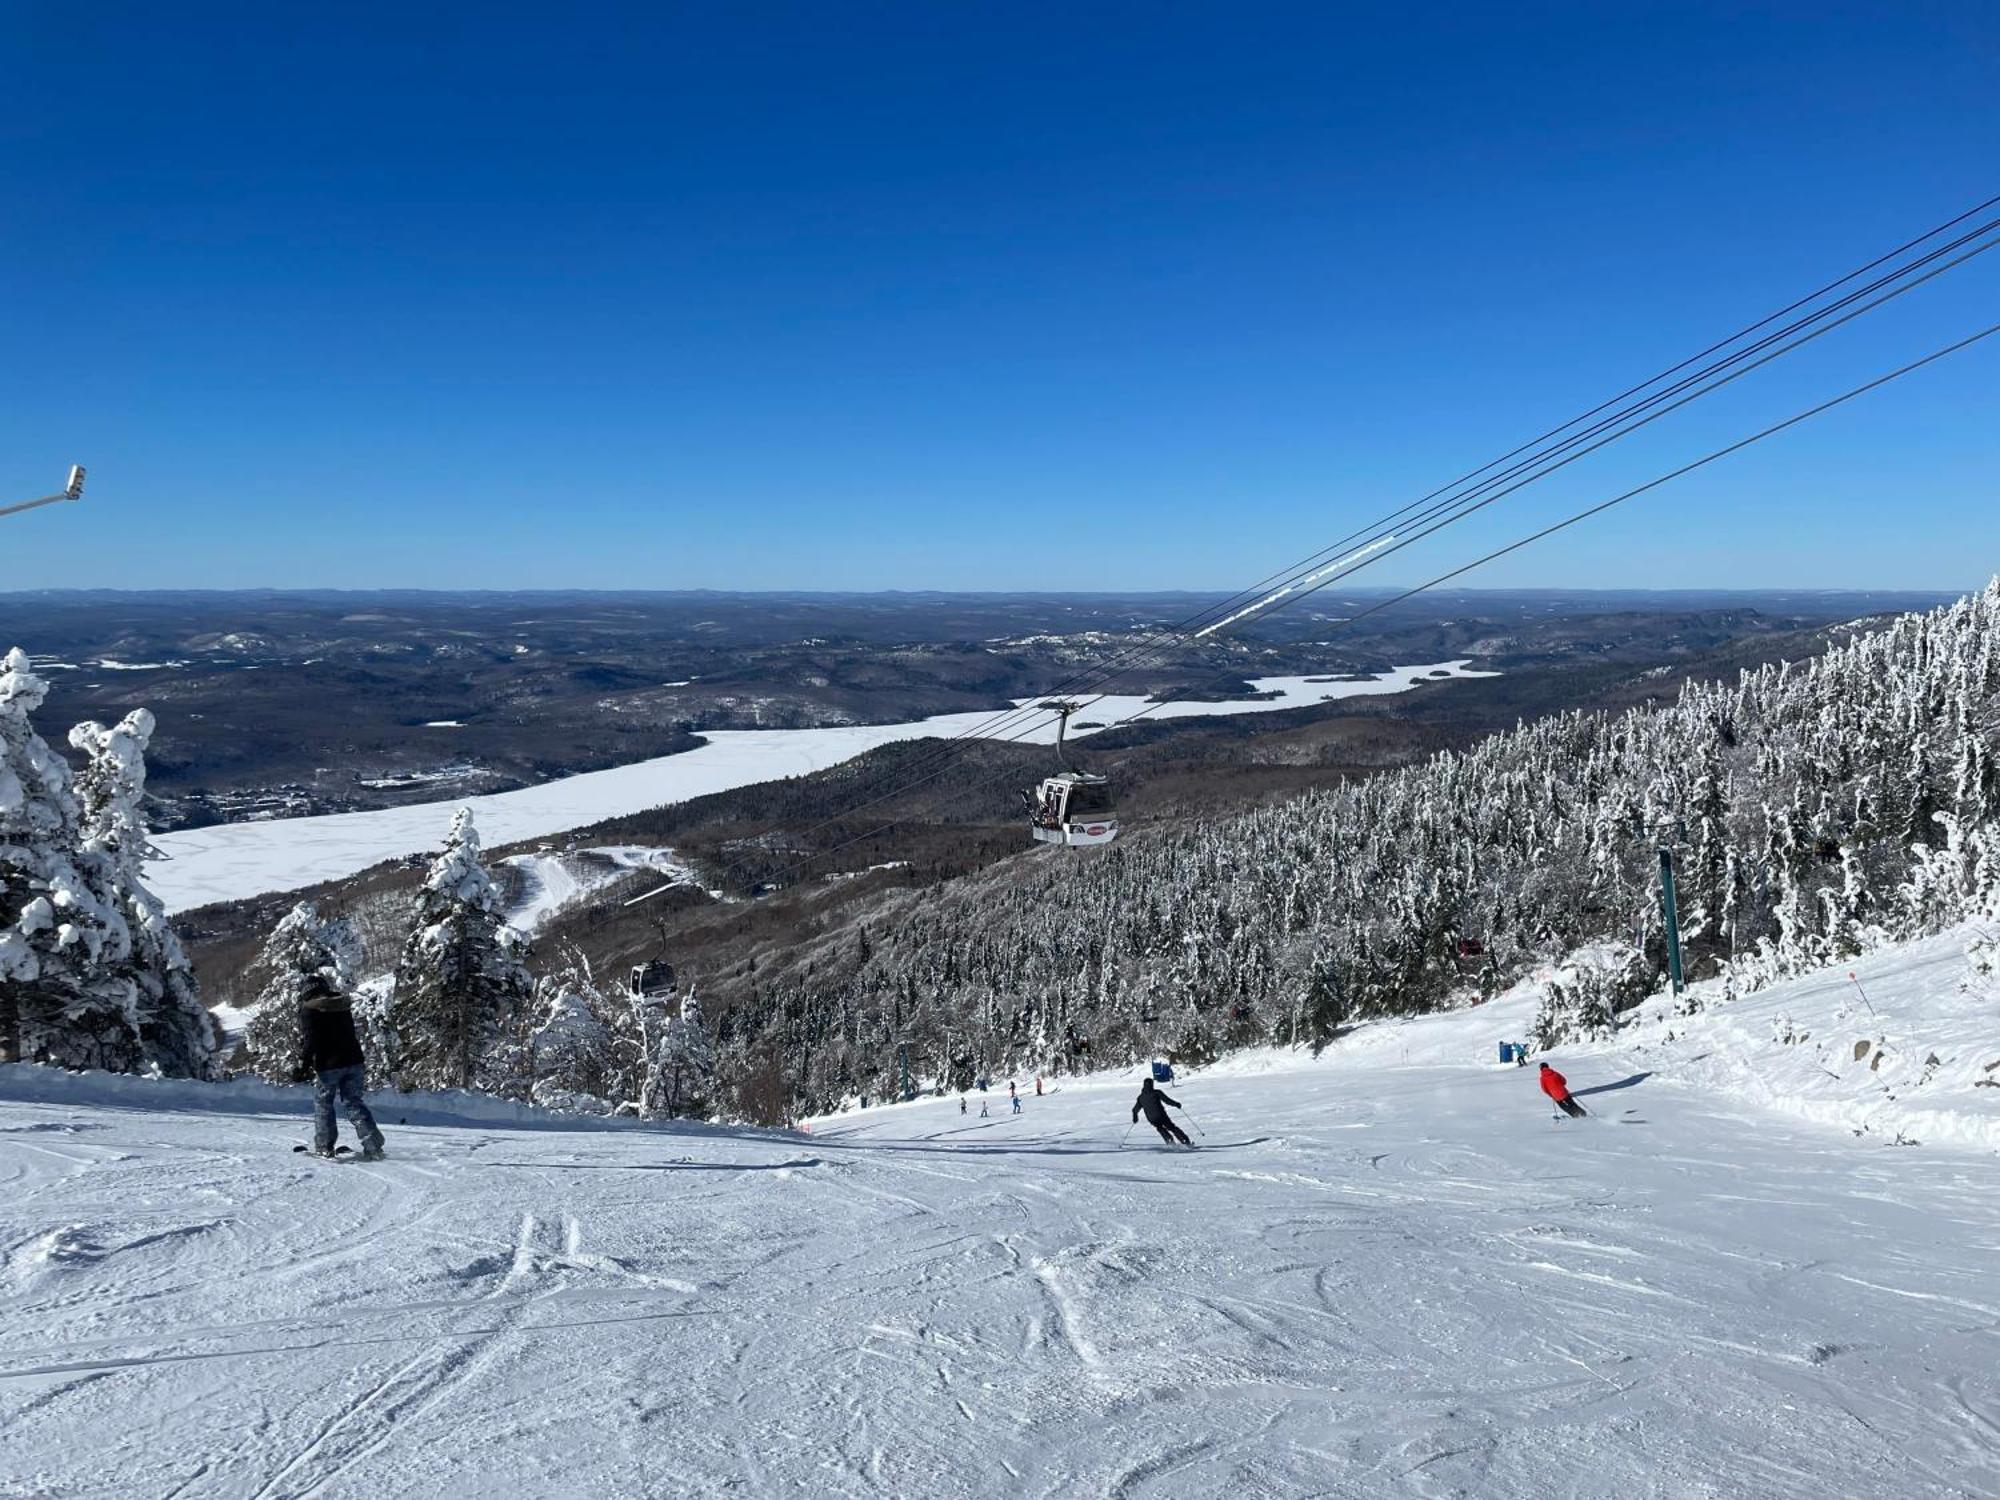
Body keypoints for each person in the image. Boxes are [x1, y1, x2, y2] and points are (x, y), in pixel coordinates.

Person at [298, 978, 386, 1159]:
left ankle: (324, 1146)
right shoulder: (341, 1004)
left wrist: (303, 1064)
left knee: (324, 1104)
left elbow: (311, 1039)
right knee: (353, 1102)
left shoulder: (309, 1009)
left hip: (328, 1064)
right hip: (354, 1060)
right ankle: (373, 1146)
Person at [1131, 1076, 1190, 1146]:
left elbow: (1135, 1110)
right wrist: (1176, 1104)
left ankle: (1169, 1141)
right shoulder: (1157, 1092)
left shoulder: (1141, 1097)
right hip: (1161, 1115)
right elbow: (1167, 1101)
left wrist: (1135, 1117)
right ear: (1152, 1084)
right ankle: (1185, 1141)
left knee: (1160, 1128)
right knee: (1171, 1127)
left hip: (1151, 1118)